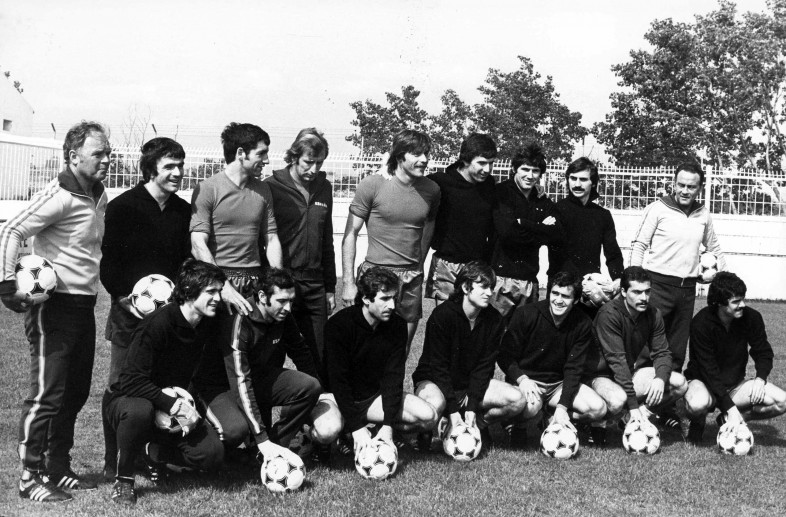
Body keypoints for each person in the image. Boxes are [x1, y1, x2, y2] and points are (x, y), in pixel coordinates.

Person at [0, 121, 110, 502]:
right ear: (73, 156)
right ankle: (29, 477)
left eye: (108, 153)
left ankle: (57, 466)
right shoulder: (59, 194)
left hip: (84, 305)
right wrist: (6, 285)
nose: (106, 160)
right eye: (98, 153)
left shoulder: (98, 195)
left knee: (75, 393)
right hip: (54, 308)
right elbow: (11, 230)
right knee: (47, 395)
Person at [99, 137, 192, 480]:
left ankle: (147, 455)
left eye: (180, 166)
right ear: (150, 169)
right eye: (169, 166)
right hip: (128, 313)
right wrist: (126, 298)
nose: (177, 172)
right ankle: (112, 460)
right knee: (120, 384)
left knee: (159, 384)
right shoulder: (123, 207)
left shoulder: (183, 211)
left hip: (167, 317)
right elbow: (109, 264)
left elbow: (185, 263)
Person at [105, 259, 226, 506]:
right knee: (139, 411)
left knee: (211, 455)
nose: (218, 298)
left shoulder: (206, 322)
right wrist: (172, 404)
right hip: (130, 399)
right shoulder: (157, 324)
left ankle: (153, 453)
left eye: (220, 291)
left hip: (172, 402)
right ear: (189, 292)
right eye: (211, 292)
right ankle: (124, 480)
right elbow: (130, 381)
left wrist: (197, 408)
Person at [192, 268, 340, 463]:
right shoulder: (240, 320)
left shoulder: (283, 316)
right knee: (235, 430)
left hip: (254, 379)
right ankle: (213, 447)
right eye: (282, 301)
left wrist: (320, 393)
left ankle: (272, 449)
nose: (288, 308)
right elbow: (241, 381)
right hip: (219, 387)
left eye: (291, 301)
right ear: (262, 296)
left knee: (310, 386)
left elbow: (301, 351)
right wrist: (260, 437)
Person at [341, 129, 440, 350]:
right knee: (366, 349)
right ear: (399, 156)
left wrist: (419, 265)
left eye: (426, 154)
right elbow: (350, 234)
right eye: (416, 154)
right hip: (376, 275)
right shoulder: (372, 185)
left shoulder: (432, 190)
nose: (424, 159)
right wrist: (348, 282)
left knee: (401, 351)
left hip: (411, 278)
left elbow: (428, 228)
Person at [413, 261, 524, 451]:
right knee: (433, 405)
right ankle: (433, 427)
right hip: (435, 382)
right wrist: (453, 410)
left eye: (491, 287)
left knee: (517, 399)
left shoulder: (494, 320)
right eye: (483, 287)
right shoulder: (442, 315)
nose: (489, 293)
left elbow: (485, 367)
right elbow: (438, 367)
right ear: (465, 287)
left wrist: (472, 407)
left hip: (467, 386)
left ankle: (476, 426)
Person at [327, 266, 437, 453]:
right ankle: (338, 434)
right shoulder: (339, 325)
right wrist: (355, 426)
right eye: (385, 299)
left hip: (371, 400)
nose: (392, 306)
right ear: (365, 299)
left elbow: (393, 377)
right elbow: (338, 382)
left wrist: (388, 426)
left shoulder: (397, 325)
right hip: (339, 398)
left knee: (429, 417)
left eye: (394, 298)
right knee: (327, 430)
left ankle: (375, 431)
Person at [629, 162, 725, 372]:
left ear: (700, 188)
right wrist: (633, 281)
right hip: (657, 286)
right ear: (674, 184)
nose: (685, 191)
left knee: (676, 349)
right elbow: (639, 244)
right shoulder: (658, 208)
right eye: (681, 185)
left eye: (691, 187)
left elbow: (714, 248)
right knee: (648, 344)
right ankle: (640, 388)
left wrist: (723, 278)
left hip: (687, 291)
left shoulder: (703, 214)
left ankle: (670, 391)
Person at [498, 271, 608, 447]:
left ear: (575, 300)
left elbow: (574, 368)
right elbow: (504, 355)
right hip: (529, 382)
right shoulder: (526, 314)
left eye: (565, 296)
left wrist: (562, 407)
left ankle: (551, 417)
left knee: (597, 409)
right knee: (530, 408)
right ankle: (519, 426)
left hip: (558, 385)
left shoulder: (582, 323)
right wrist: (522, 379)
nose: (558, 300)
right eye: (555, 293)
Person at [190, 122, 283, 317]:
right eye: (261, 153)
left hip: (254, 280)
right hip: (216, 281)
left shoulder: (263, 189)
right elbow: (198, 244)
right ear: (241, 153)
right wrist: (222, 286)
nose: (266, 160)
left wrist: (278, 283)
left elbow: (271, 238)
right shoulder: (208, 188)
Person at [682, 272, 786, 444]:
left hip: (735, 386)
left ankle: (730, 419)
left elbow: (763, 351)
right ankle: (698, 422)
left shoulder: (752, 317)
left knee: (782, 401)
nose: (742, 305)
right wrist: (730, 408)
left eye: (742, 299)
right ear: (719, 303)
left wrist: (760, 379)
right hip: (704, 384)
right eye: (736, 301)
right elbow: (708, 370)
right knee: (697, 404)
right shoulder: (701, 323)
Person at [264, 128, 336, 373]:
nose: (314, 169)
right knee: (273, 352)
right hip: (283, 281)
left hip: (315, 285)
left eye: (319, 163)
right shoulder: (271, 187)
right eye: (308, 162)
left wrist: (329, 287)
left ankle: (318, 395)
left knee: (319, 355)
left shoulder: (325, 188)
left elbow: (327, 240)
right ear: (294, 157)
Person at [591, 267, 688, 433]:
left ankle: (632, 418)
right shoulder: (609, 314)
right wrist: (633, 405)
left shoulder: (653, 313)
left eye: (647, 291)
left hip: (627, 374)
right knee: (617, 400)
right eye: (637, 292)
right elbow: (617, 362)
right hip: (600, 377)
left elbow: (662, 352)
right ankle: (591, 423)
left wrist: (660, 378)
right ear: (623, 292)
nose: (644, 298)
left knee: (679, 383)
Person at [490, 142, 563, 321]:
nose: (530, 176)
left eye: (535, 171)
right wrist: (540, 227)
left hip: (530, 280)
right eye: (525, 169)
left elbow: (555, 234)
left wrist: (524, 224)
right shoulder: (500, 193)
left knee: (525, 334)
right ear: (514, 169)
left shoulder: (542, 200)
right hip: (500, 278)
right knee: (494, 333)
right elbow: (508, 235)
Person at [425, 134, 498, 303]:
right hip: (447, 265)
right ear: (465, 160)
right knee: (447, 315)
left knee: (473, 317)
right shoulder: (439, 183)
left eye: (491, 163)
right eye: (481, 163)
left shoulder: (489, 185)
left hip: (477, 267)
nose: (487, 169)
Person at [547, 157, 623, 318]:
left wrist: (618, 279)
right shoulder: (556, 210)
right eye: (573, 178)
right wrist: (579, 281)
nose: (577, 184)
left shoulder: (602, 215)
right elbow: (558, 253)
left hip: (590, 290)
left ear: (593, 183)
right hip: (561, 286)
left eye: (583, 179)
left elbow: (613, 252)